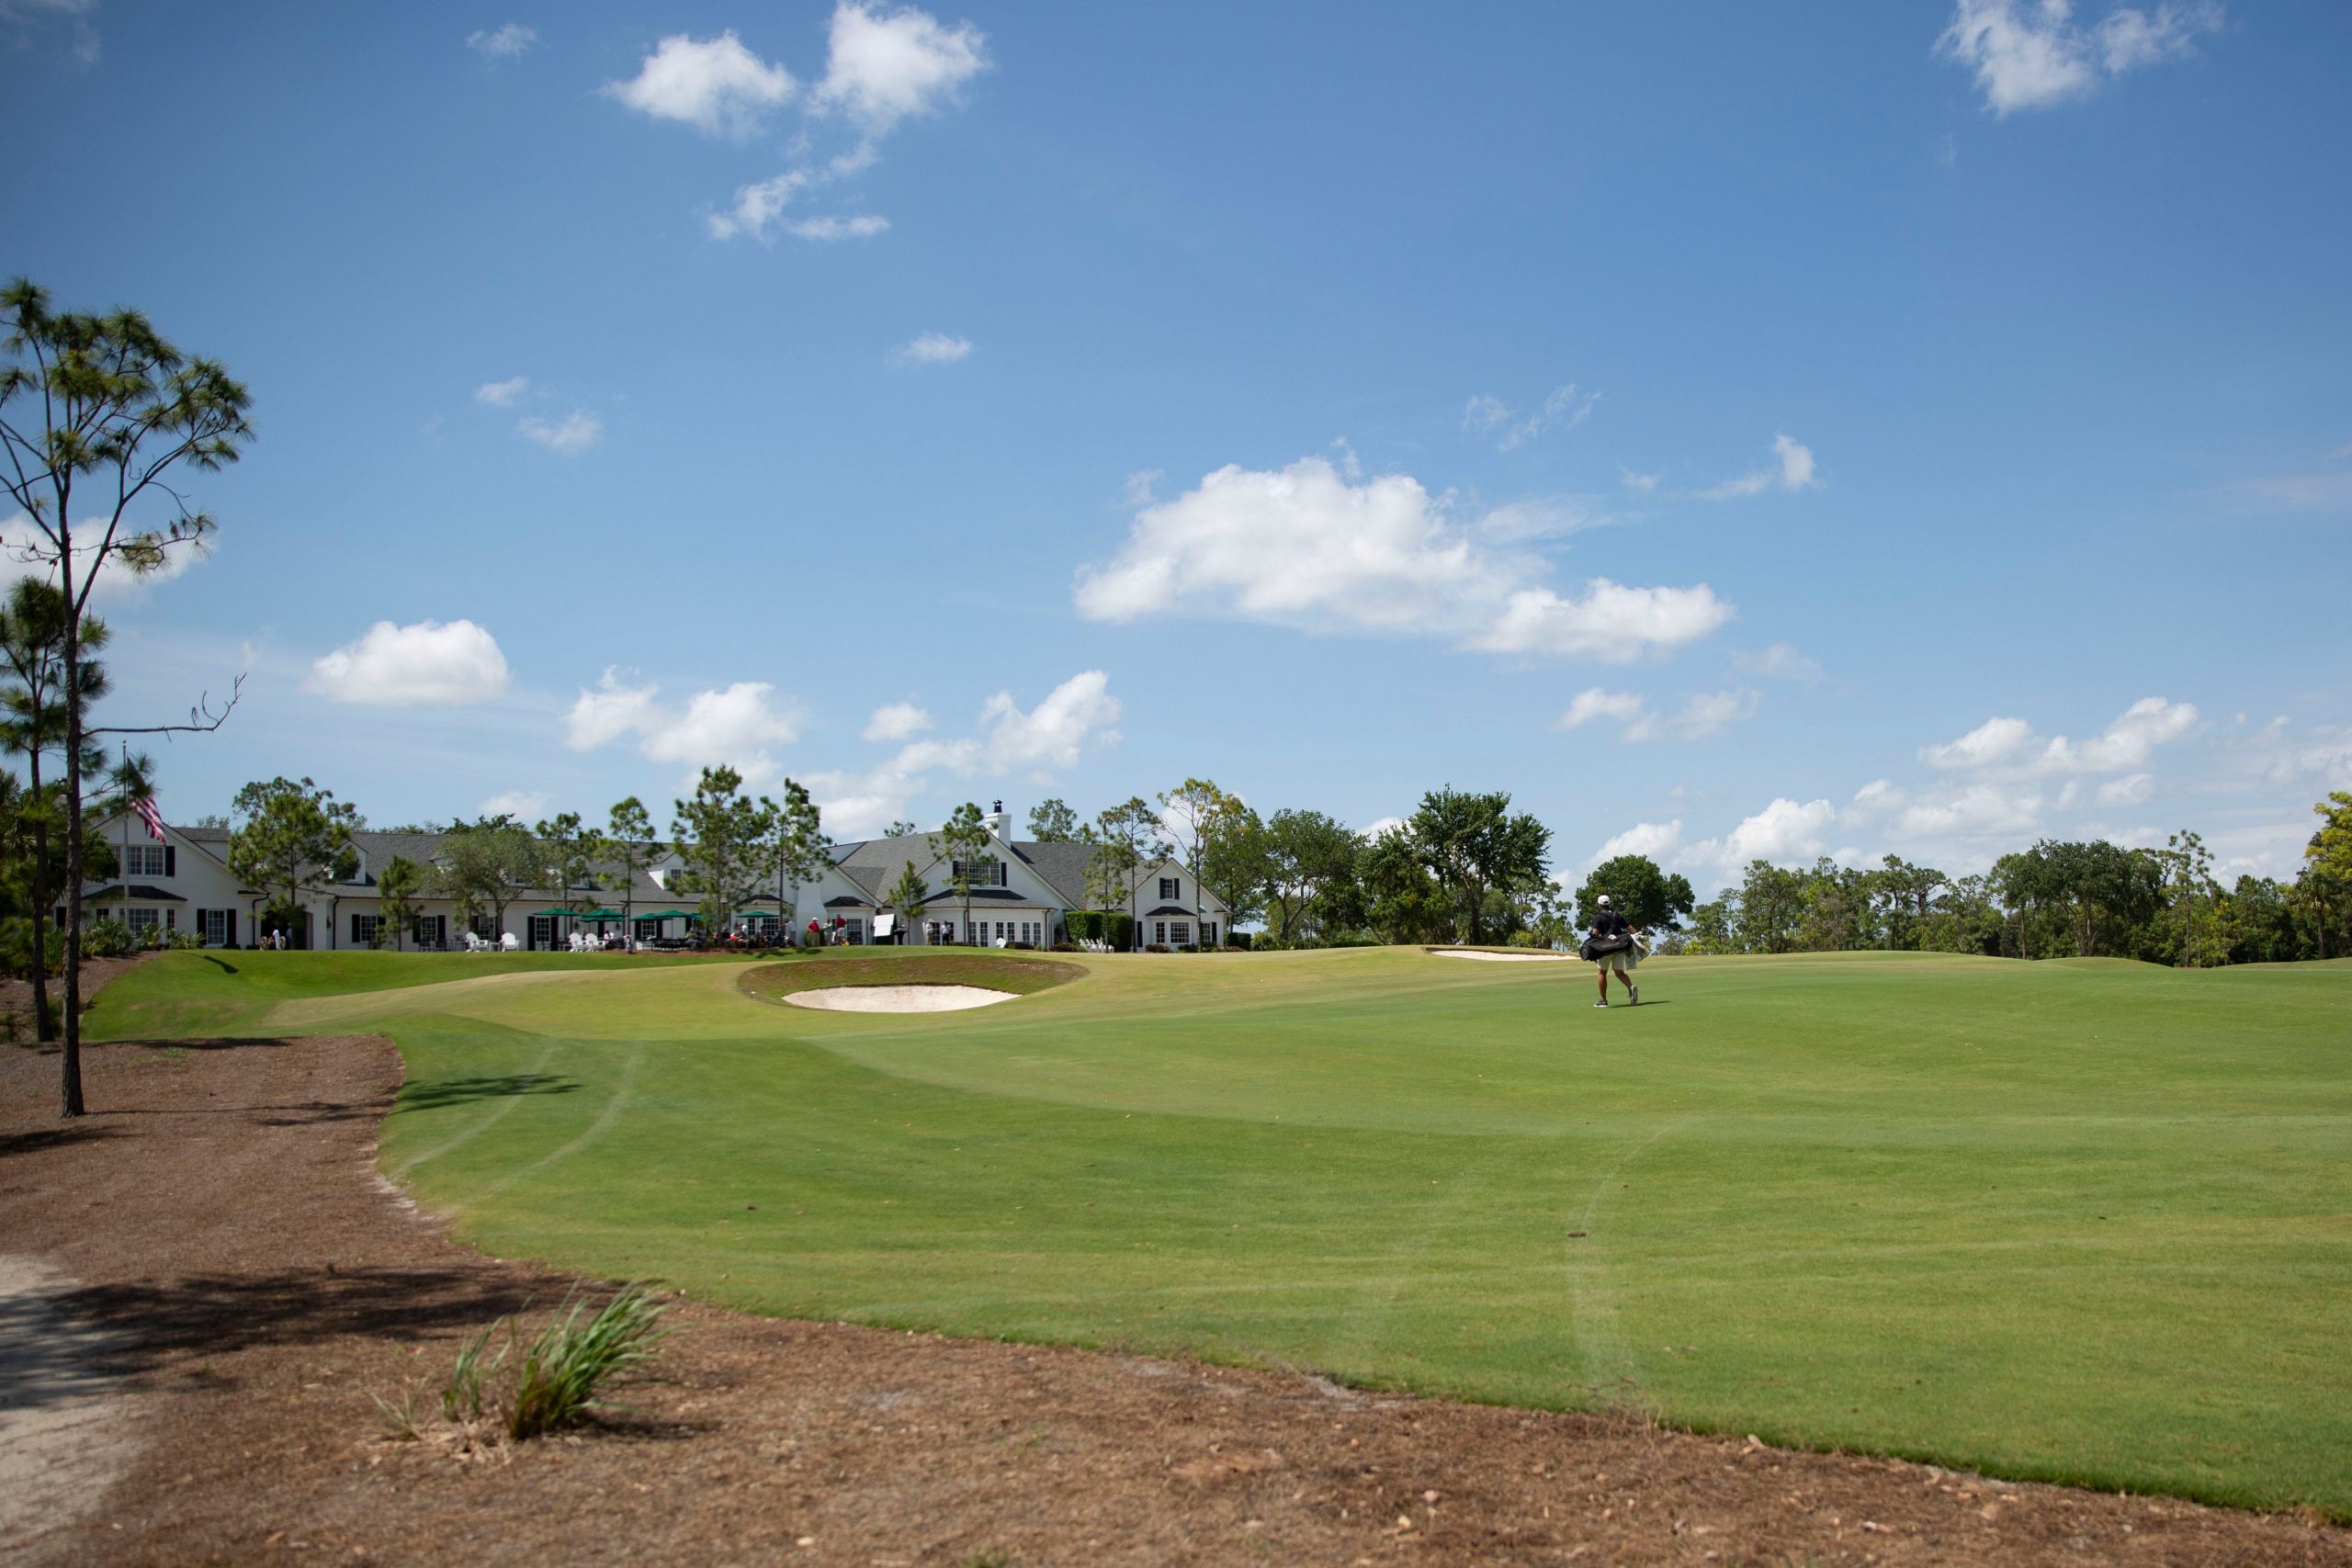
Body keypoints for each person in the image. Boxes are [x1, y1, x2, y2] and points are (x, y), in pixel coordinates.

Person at [1587, 894, 1640, 1009]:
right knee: (1619, 972)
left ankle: (1603, 1000)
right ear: (1609, 903)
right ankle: (1630, 987)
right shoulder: (1617, 915)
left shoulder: (1598, 917)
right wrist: (1638, 937)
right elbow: (1630, 928)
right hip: (1619, 946)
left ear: (1599, 905)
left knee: (1602, 972)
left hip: (1605, 947)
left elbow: (1595, 934)